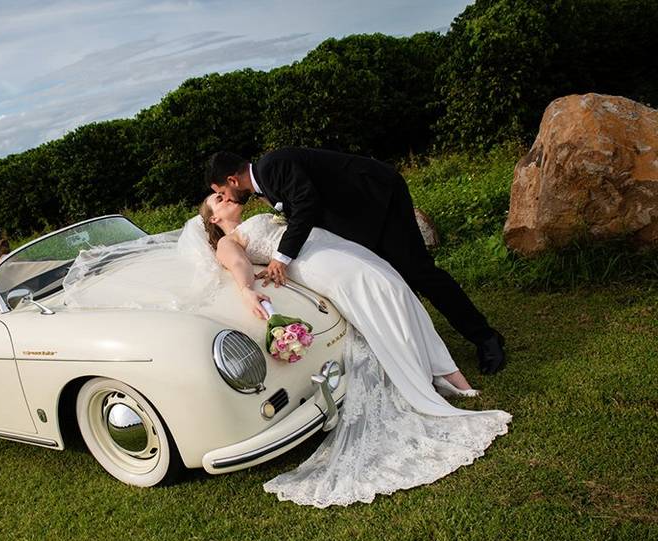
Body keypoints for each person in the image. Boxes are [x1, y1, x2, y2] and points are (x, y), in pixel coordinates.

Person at [199, 193, 511, 507]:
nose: (227, 197)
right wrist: (247, 290)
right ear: (213, 219)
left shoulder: (263, 214)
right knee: (382, 292)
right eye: (218, 199)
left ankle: (450, 375)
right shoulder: (228, 241)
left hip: (328, 249)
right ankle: (424, 379)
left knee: (396, 288)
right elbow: (238, 262)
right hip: (317, 264)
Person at [205, 148, 507, 375]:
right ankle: (419, 349)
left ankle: (486, 338)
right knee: (390, 279)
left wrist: (281, 258)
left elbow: (306, 205)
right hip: (359, 220)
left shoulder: (273, 165)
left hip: (378, 197)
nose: (227, 197)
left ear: (233, 179)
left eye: (222, 192)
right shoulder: (266, 182)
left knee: (419, 272)